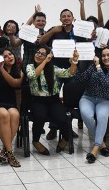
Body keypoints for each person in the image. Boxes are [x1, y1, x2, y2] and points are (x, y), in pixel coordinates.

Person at [39, 8, 95, 140]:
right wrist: (52, 32)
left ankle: (67, 127)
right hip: (56, 68)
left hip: (73, 69)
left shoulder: (78, 31)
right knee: (54, 97)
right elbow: (41, 42)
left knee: (69, 98)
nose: (66, 18)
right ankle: (53, 128)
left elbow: (86, 44)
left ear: (72, 18)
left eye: (68, 16)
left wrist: (90, 37)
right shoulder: (56, 30)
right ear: (60, 19)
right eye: (63, 16)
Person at [26, 46, 79, 155]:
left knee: (61, 117)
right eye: (38, 52)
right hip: (37, 100)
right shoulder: (30, 66)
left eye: (42, 54)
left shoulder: (53, 68)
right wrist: (45, 61)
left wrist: (74, 61)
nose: (39, 55)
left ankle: (65, 138)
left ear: (49, 57)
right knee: (39, 116)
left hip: (54, 100)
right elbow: (32, 76)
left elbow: (70, 73)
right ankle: (36, 141)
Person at [75, 47, 109, 163]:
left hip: (105, 100)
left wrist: (98, 67)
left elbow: (107, 83)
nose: (106, 58)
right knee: (86, 115)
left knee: (102, 117)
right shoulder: (93, 66)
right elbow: (79, 79)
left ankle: (95, 148)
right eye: (103, 55)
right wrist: (76, 64)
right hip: (88, 97)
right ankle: (102, 144)